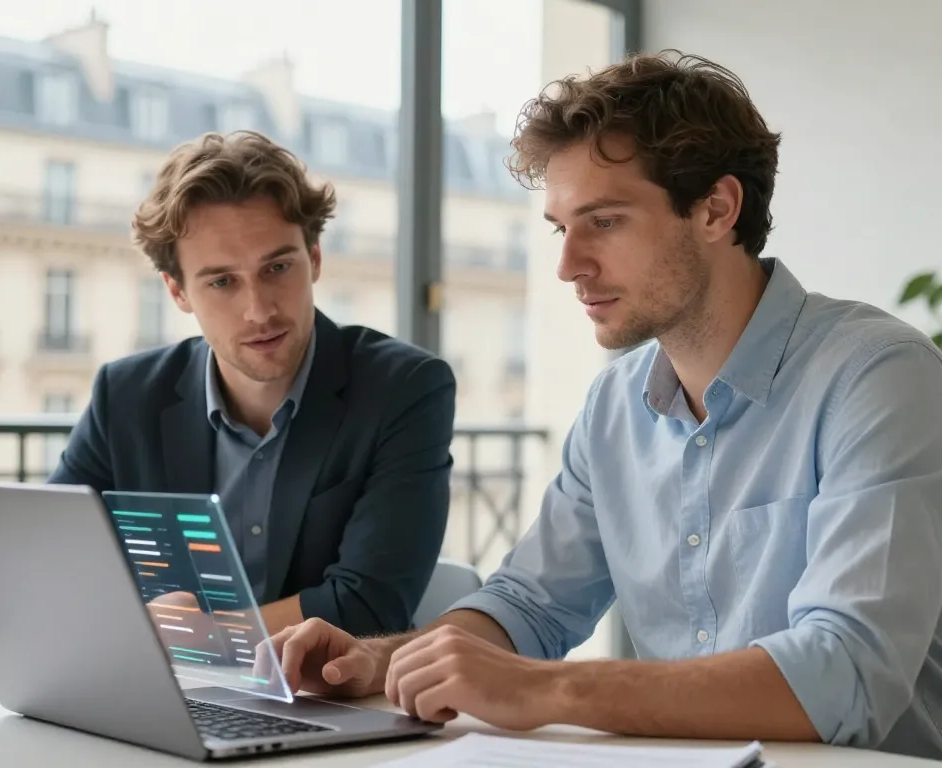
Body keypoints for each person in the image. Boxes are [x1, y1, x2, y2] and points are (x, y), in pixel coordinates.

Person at [266, 51, 942, 760]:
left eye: (606, 222)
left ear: (717, 208)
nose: (569, 265)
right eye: (563, 228)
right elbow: (530, 604)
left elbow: (848, 674)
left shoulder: (880, 378)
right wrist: (388, 661)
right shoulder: (617, 403)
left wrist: (549, 690)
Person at [49, 130, 456, 638]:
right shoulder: (126, 395)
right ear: (177, 291)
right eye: (222, 281)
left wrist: (193, 637)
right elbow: (49, 567)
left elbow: (369, 605)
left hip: (331, 698)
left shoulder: (405, 388)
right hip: (157, 695)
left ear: (316, 259)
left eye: (278, 268)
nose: (260, 310)